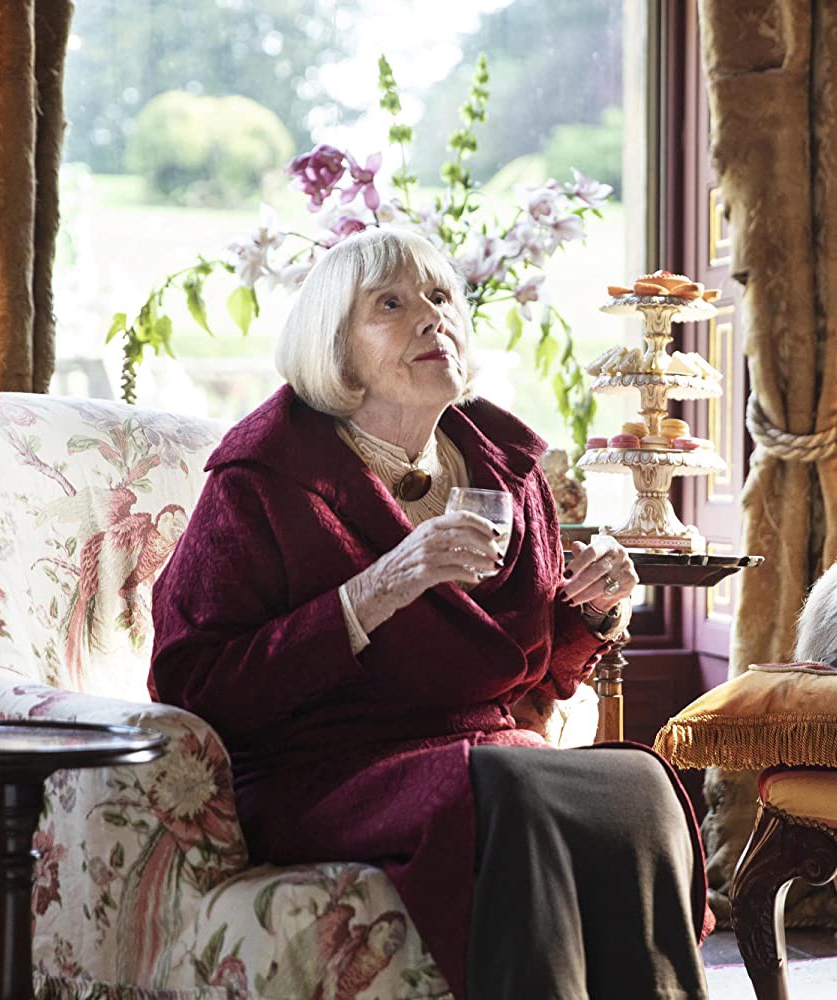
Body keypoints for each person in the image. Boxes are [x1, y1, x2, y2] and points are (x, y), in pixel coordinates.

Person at [150, 228, 712, 999]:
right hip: (323, 768)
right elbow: (192, 685)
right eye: (391, 304)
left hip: (489, 755)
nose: (431, 318)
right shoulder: (261, 478)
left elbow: (533, 672)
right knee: (511, 781)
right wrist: (376, 591)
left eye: (442, 298)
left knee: (639, 784)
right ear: (335, 346)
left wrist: (600, 608)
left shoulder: (506, 470)